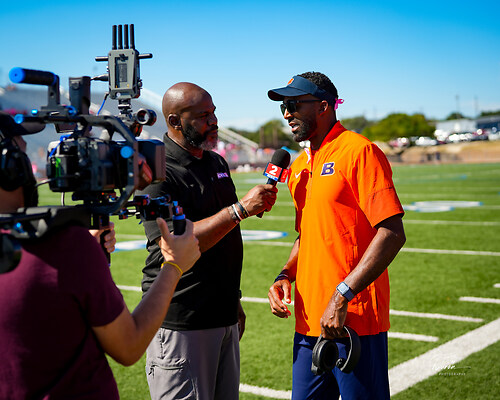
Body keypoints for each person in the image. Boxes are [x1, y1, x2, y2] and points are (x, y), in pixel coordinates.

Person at [0, 111, 201, 399]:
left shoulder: (67, 248)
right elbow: (128, 346)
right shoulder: (66, 247)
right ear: (10, 167)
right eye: (20, 153)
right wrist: (174, 266)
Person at [266, 72, 406, 400]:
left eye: (294, 104)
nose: (287, 113)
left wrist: (342, 295)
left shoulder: (359, 151)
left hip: (352, 319)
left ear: (323, 106)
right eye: (283, 107)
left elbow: (392, 232)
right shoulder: (298, 166)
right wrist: (285, 274)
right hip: (308, 321)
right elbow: (307, 236)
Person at [138, 82, 278, 400]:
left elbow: (225, 237)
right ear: (175, 121)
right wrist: (240, 210)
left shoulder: (216, 162)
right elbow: (175, 243)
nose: (214, 121)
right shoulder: (157, 171)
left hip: (222, 313)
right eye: (203, 116)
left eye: (214, 113)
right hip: (182, 318)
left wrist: (233, 300)